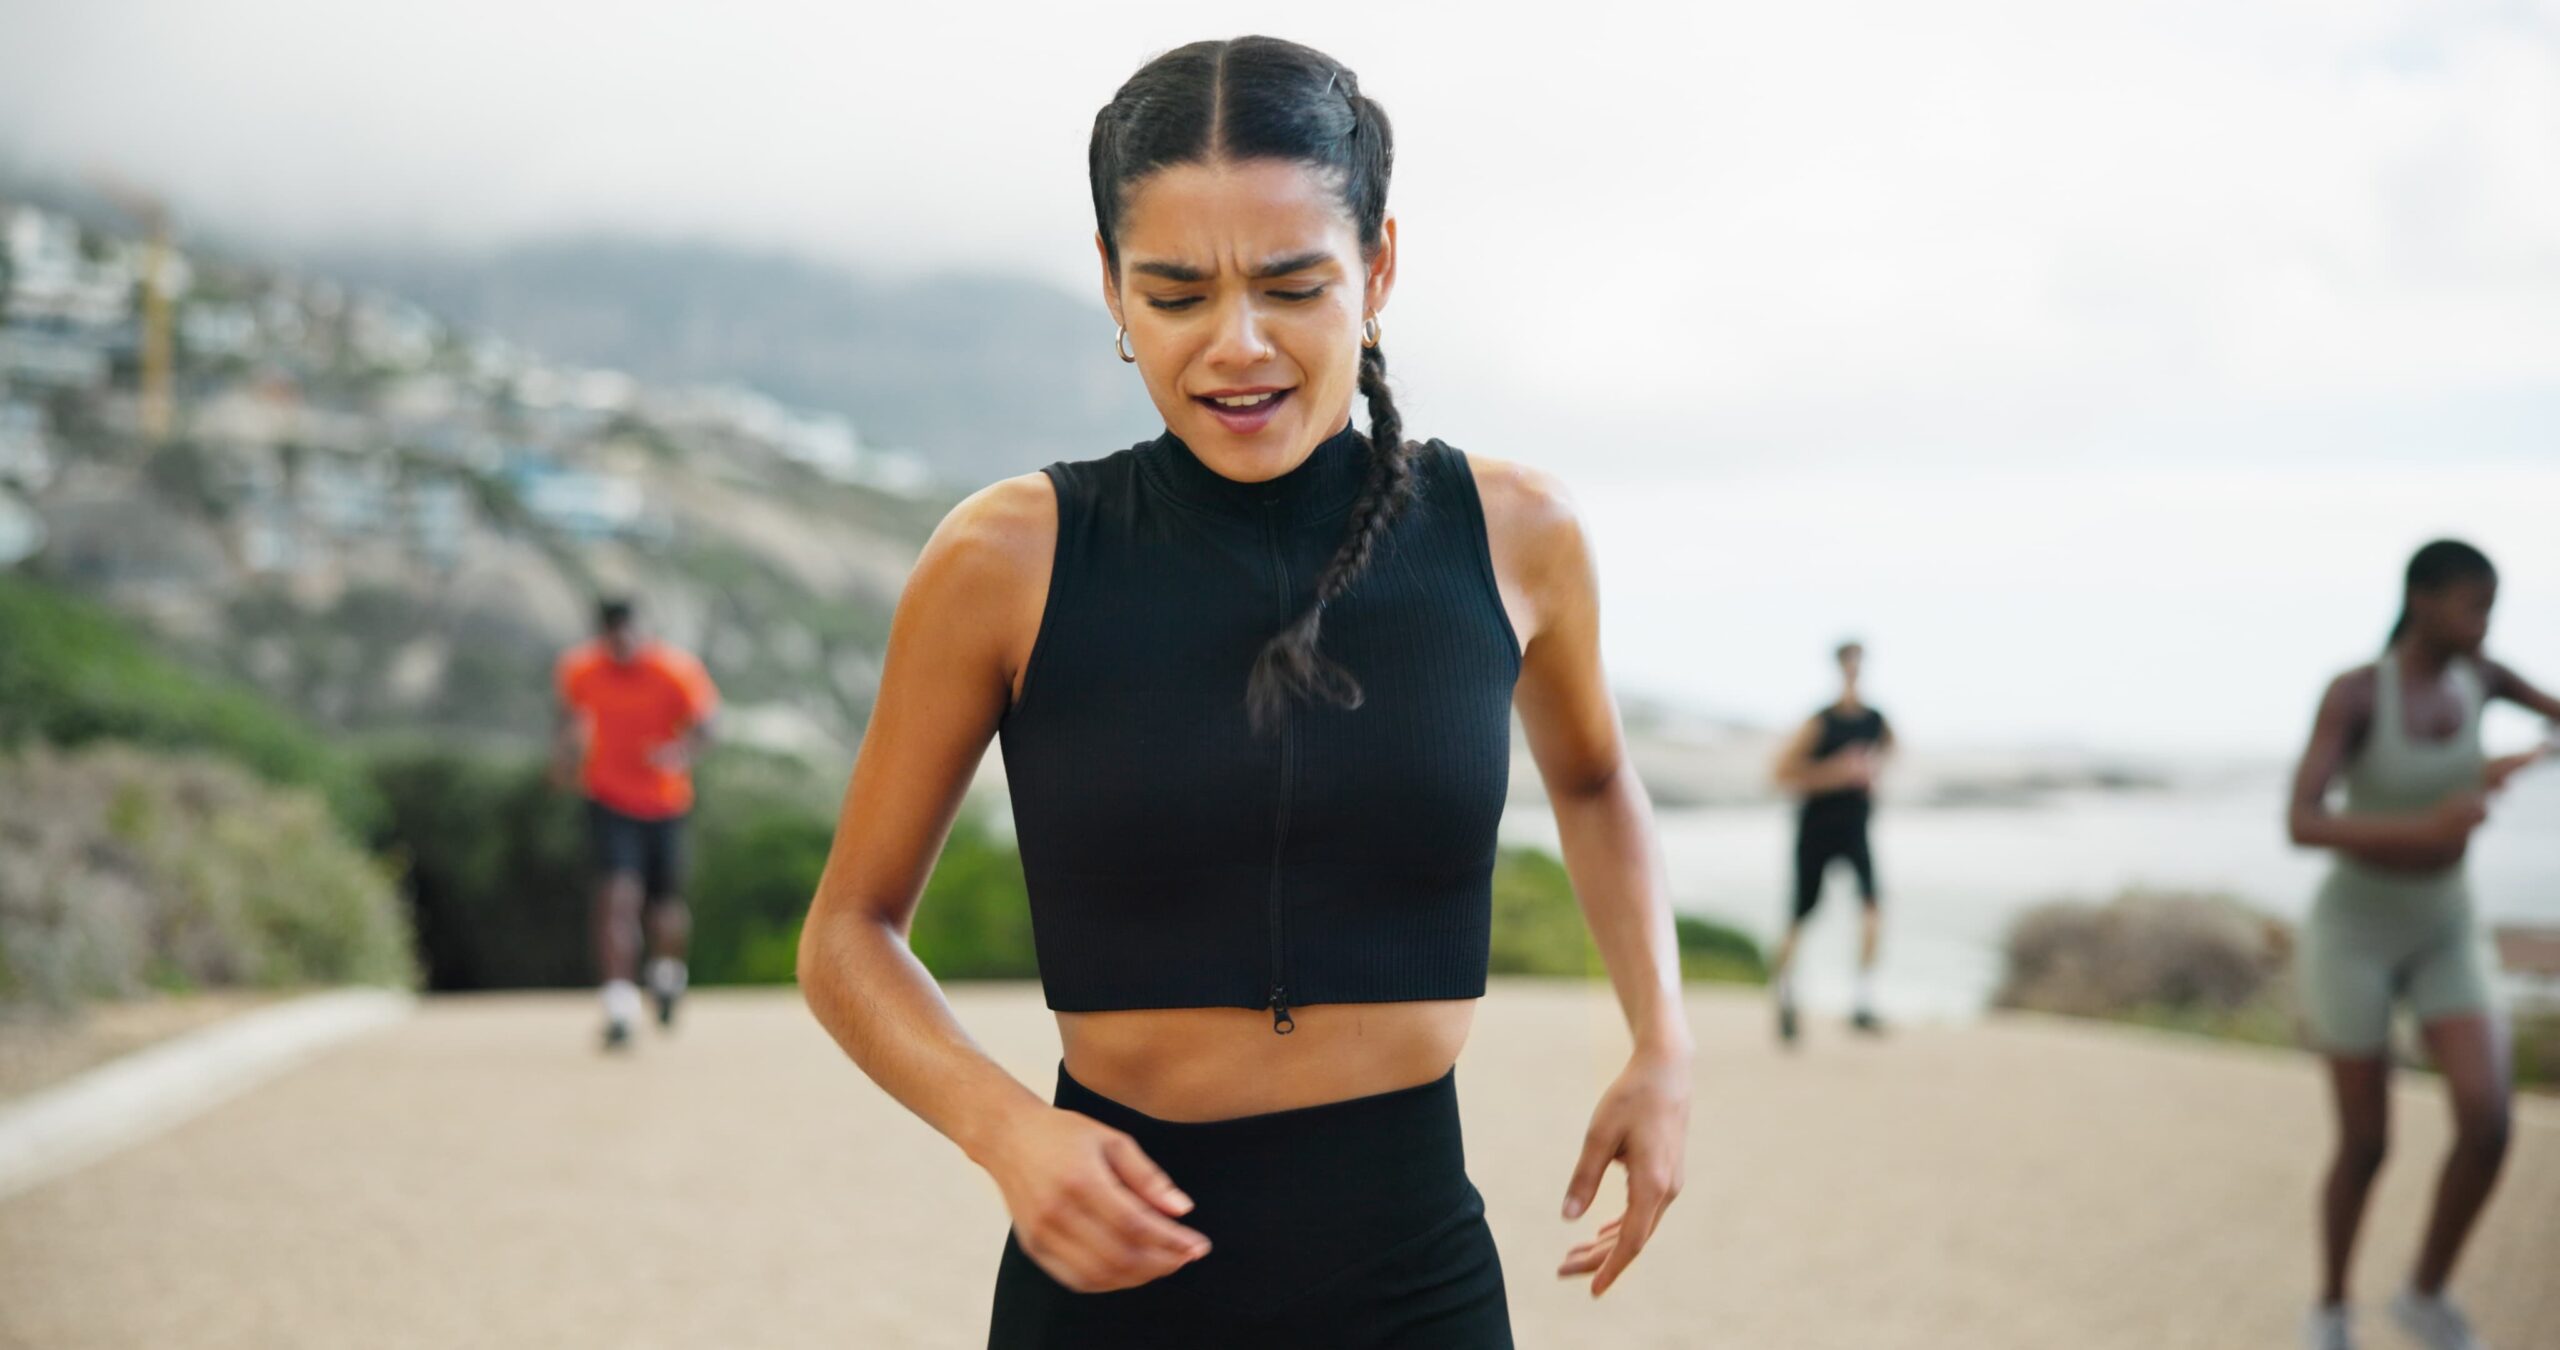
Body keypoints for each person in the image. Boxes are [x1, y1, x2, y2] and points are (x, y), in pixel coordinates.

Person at [795, 37, 1691, 1347]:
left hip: (1414, 1274)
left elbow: (1599, 781)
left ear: (1377, 269)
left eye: (1292, 284)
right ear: (1110, 287)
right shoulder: (1007, 558)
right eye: (1174, 293)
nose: (1238, 345)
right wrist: (1009, 1134)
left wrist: (1662, 1042)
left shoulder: (1514, 534)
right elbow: (847, 934)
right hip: (1113, 1279)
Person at [2287, 540, 2556, 1350]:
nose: (2485, 623)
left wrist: (2511, 763)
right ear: (2423, 598)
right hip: (2355, 932)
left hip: (2446, 925)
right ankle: (2331, 1307)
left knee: (2488, 1121)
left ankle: (2425, 1293)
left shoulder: (2485, 679)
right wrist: (2432, 821)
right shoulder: (2358, 693)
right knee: (2367, 1144)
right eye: (2475, 605)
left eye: (2491, 608)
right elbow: (2303, 820)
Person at [553, 597, 719, 1051]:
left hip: (665, 802)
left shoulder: (675, 670)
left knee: (665, 908)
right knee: (616, 897)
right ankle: (619, 1005)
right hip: (607, 797)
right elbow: (569, 720)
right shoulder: (580, 670)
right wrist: (564, 763)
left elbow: (708, 724)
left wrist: (681, 753)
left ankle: (667, 976)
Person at [1765, 640, 1894, 1044]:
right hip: (1816, 828)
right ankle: (1784, 995)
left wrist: (1874, 772)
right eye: (1849, 663)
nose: (1854, 670)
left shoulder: (1877, 720)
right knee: (1800, 916)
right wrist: (1838, 773)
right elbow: (1780, 773)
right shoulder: (1820, 722)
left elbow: (1890, 752)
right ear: (1839, 667)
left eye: (1860, 663)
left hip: (1856, 828)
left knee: (1872, 907)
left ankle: (1862, 1001)